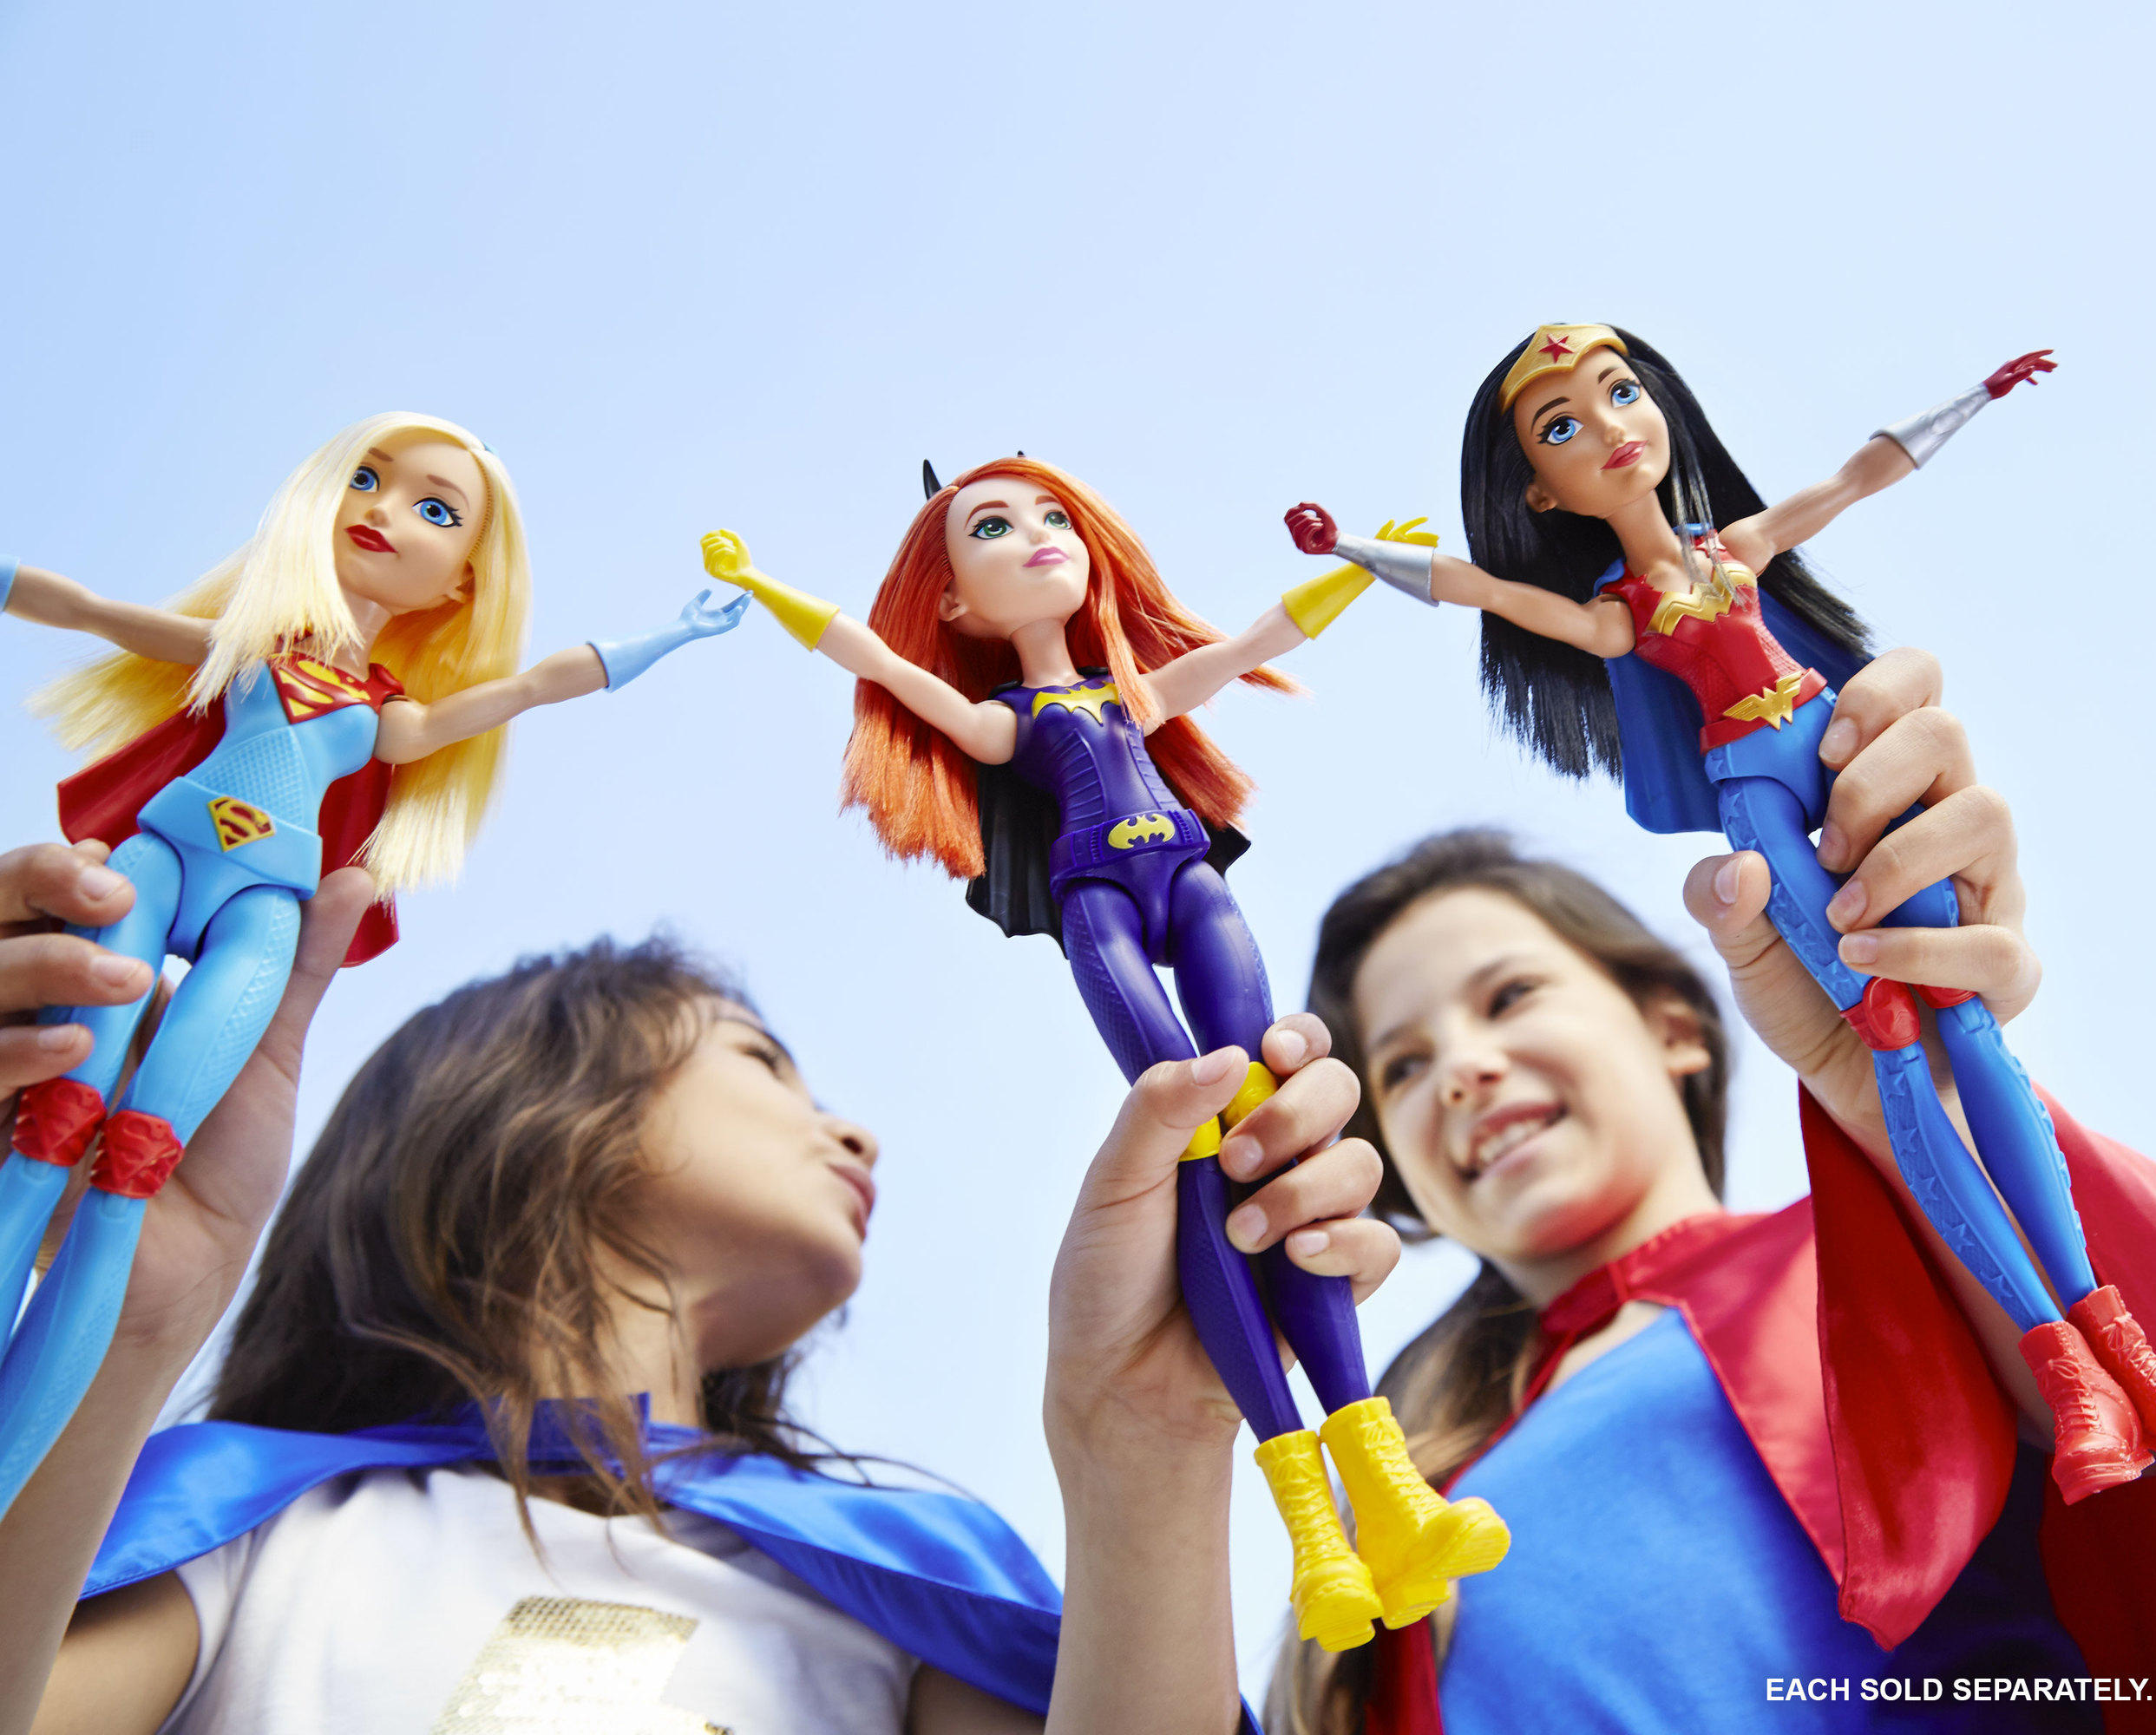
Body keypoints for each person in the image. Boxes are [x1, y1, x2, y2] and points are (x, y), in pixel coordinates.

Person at [1269, 656, 2156, 1733]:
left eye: (1510, 998)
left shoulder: (1875, 1244)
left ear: (1675, 1026)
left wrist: (1916, 1084)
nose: (1462, 1071)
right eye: (1403, 1066)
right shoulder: (1383, 1478)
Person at [0, 834, 1398, 1733]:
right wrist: (121, 1329)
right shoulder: (249, 1532)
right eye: (762, 1062)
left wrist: (1147, 1444)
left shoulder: (908, 1589)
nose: (856, 1133)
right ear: (539, 1112)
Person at [1283, 327, 2156, 1508]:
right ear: (1541, 491)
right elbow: (1484, 591)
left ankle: (2119, 1342)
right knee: (1891, 1030)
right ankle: (2067, 1367)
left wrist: (1977, 396)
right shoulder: (1620, 611)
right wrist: (1353, 551)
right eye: (1563, 425)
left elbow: (1857, 476)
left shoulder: (1732, 549)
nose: (1609, 425)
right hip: (1756, 790)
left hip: (1826, 742)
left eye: (1620, 392)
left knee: (1966, 1023)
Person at [698, 457, 1504, 1652]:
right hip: (1098, 900)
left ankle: (1392, 1497)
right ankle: (1317, 1538)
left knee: (1270, 1135)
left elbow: (1254, 643)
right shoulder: (1006, 724)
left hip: (1188, 873)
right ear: (954, 600)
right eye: (993, 526)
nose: (1039, 535)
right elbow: (882, 666)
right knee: (1196, 1143)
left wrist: (1360, 567)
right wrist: (765, 586)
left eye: (1054, 516)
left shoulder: (1132, 693)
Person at [0, 413, 743, 1510]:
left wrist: (669, 635)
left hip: (265, 902)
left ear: (462, 581)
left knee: (130, 1173)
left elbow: (530, 687)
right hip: (156, 860)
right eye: (366, 478)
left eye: (435, 510)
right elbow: (91, 610)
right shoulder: (247, 646)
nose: (386, 513)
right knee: (47, 1132)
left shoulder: (391, 715)